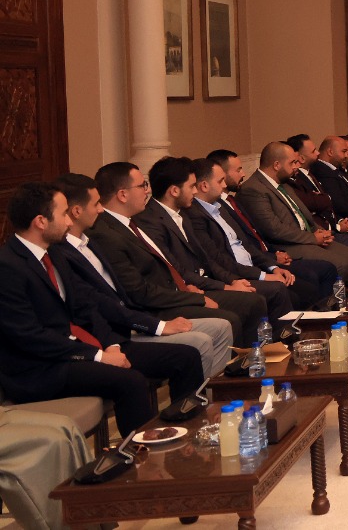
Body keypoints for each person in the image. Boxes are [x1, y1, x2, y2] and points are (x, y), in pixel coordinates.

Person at [0, 183, 195, 434]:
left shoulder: (54, 253)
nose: (69, 222)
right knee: (130, 381)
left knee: (185, 357)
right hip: (41, 368)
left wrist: (110, 344)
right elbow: (29, 336)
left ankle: (187, 436)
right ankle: (141, 453)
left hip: (80, 349)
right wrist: (98, 356)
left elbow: (86, 306)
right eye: (63, 214)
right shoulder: (8, 267)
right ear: (40, 221)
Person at [49, 173, 234, 377]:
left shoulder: (89, 242)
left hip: (138, 314)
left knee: (222, 327)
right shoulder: (69, 251)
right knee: (199, 343)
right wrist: (157, 325)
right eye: (96, 204)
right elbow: (100, 302)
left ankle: (217, 390)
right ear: (76, 211)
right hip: (120, 328)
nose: (101, 210)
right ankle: (200, 395)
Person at [87, 162, 248, 346]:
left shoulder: (130, 223)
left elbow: (169, 264)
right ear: (123, 194)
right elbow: (139, 291)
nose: (147, 191)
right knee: (229, 319)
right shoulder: (107, 234)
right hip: (156, 308)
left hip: (177, 292)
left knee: (248, 302)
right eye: (142, 186)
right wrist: (194, 298)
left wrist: (187, 289)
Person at [136, 157, 281, 330]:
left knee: (261, 294)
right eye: (191, 186)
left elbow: (207, 259)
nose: (195, 191)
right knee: (252, 301)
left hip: (206, 282)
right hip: (188, 290)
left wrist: (233, 281)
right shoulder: (150, 221)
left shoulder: (182, 213)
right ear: (174, 191)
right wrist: (226, 287)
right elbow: (178, 269)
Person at [190, 157, 338, 309]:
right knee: (291, 292)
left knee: (307, 287)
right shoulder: (196, 216)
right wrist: (263, 275)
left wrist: (273, 267)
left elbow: (246, 244)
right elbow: (219, 259)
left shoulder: (220, 207)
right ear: (204, 186)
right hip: (237, 274)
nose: (224, 185)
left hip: (255, 265)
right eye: (220, 181)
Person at [236, 142, 348, 281]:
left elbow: (303, 215)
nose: (297, 166)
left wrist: (319, 231)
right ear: (277, 165)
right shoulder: (253, 189)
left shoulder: (284, 184)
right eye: (292, 163)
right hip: (287, 245)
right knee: (341, 265)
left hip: (306, 237)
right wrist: (313, 238)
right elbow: (273, 230)